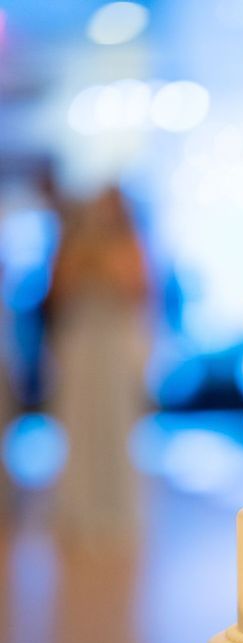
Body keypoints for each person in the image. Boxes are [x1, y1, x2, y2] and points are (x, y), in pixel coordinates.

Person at [46, 186, 150, 543]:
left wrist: (103, 264)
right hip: (82, 345)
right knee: (79, 424)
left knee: (114, 425)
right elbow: (56, 293)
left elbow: (136, 290)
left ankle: (114, 512)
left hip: (114, 347)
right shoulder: (70, 245)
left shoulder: (130, 245)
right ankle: (80, 511)